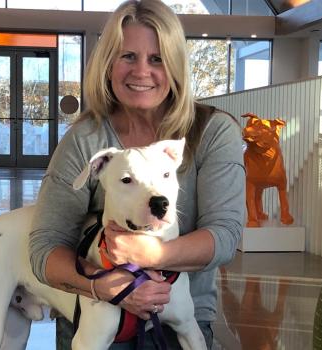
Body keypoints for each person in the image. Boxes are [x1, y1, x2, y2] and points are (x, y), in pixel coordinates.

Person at [28, 0, 245, 349]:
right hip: (99, 316)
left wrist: (152, 255)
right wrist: (101, 285)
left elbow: (226, 236)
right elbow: (44, 249)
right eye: (128, 56)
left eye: (157, 58)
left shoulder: (212, 132)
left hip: (180, 323)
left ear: (175, 65)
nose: (141, 71)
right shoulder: (86, 140)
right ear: (108, 64)